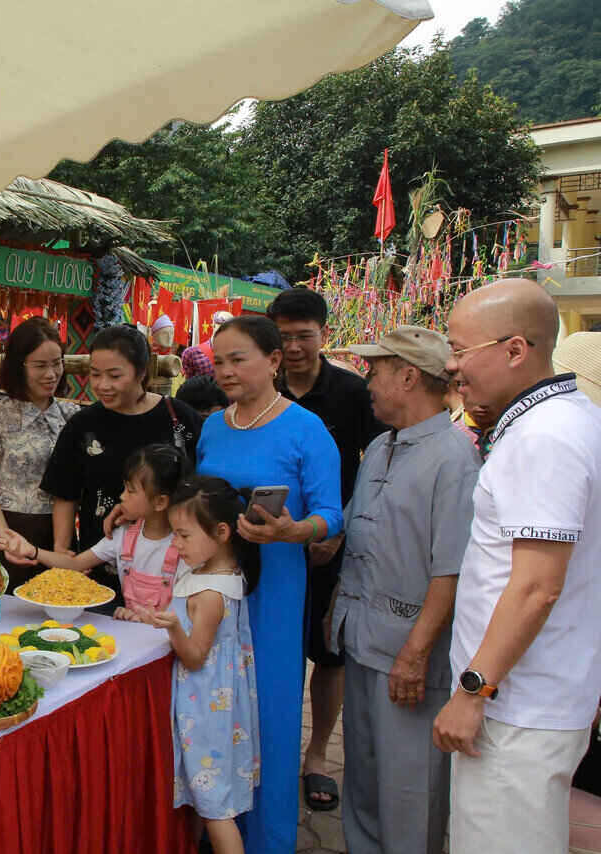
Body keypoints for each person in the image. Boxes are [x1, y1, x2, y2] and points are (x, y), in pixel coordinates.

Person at [432, 279, 601, 854]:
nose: (453, 367)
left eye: (460, 349)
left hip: (517, 706)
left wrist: (473, 691)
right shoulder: (558, 422)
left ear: (514, 349)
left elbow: (535, 587)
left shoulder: (545, 436)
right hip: (530, 695)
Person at [330, 326, 481, 854]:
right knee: (366, 774)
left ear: (409, 376)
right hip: (364, 638)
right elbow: (355, 533)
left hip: (410, 653)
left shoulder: (454, 458)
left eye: (376, 370)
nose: (367, 382)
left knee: (409, 786)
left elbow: (452, 570)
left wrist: (415, 654)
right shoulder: (379, 445)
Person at [195, 315, 343, 854]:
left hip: (276, 589)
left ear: (274, 361)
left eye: (239, 359)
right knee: (216, 709)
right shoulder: (212, 426)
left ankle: (270, 840)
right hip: (214, 587)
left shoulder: (306, 428)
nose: (226, 370)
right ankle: (219, 828)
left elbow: (332, 513)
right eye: (220, 361)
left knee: (272, 718)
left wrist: (293, 530)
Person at [266, 286, 385, 811]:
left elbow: (375, 466)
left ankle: (316, 757)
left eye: (303, 337)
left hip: (331, 547)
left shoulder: (352, 392)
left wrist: (336, 530)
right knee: (271, 648)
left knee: (329, 654)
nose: (293, 347)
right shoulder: (257, 388)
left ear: (324, 336)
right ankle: (271, 750)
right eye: (283, 337)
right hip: (267, 547)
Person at [40, 324, 201, 603]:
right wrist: (62, 549)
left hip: (171, 568)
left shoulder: (180, 419)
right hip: (99, 564)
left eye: (115, 375)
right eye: (95, 374)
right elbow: (65, 492)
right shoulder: (84, 424)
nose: (102, 385)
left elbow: (200, 486)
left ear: (141, 373)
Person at [152, 476, 263, 854]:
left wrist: (173, 630)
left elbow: (195, 655)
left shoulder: (210, 594)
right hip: (217, 709)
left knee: (215, 806)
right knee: (208, 800)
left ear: (221, 532)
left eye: (183, 536)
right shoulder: (220, 574)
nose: (176, 544)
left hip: (205, 711)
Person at [0, 444, 190, 620]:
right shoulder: (124, 536)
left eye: (131, 491)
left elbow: (186, 611)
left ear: (160, 502)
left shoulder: (185, 549)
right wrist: (32, 551)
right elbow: (75, 564)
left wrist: (148, 619)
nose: (122, 496)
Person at [0, 317, 79, 588]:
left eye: (57, 363)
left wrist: (61, 546)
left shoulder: (72, 416)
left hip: (60, 535)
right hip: (9, 527)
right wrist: (5, 537)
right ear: (19, 367)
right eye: (40, 366)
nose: (51, 374)